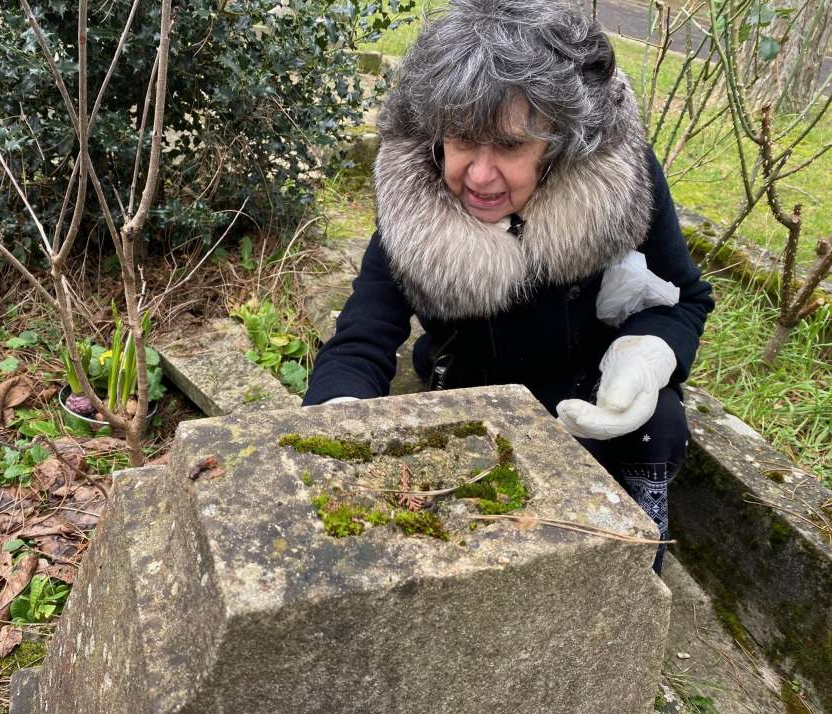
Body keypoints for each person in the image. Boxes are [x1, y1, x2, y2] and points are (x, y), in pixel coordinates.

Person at [302, 0, 713, 573]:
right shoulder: (414, 197)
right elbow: (363, 336)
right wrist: (334, 420)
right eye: (463, 139)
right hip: (470, 389)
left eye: (513, 145)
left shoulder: (620, 181)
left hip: (584, 388)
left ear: (561, 141)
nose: (479, 175)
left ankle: (634, 564)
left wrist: (644, 355)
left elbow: (686, 298)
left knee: (658, 423)